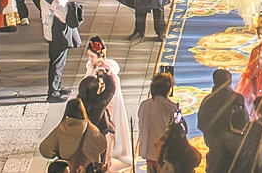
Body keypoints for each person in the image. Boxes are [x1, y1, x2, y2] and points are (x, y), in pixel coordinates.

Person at [84, 39, 132, 171]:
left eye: (92, 56)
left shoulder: (104, 73)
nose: (90, 59)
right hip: (104, 107)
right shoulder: (97, 68)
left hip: (106, 109)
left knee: (107, 137)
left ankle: (106, 162)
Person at [40, 99, 110, 173]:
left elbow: (45, 150)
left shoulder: (62, 127)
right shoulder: (91, 129)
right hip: (85, 168)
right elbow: (101, 145)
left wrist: (58, 152)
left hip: (66, 168)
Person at [141, 75, 183, 173]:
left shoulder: (144, 105)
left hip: (149, 150)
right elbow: (179, 131)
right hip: (166, 151)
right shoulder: (171, 108)